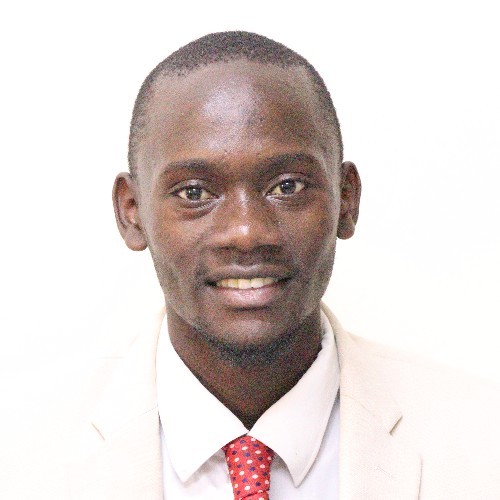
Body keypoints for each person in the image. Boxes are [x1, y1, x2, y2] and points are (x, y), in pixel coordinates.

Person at [68, 31, 500, 499]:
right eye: (194, 192)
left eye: (287, 186)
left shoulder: (483, 440)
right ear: (132, 213)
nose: (246, 232)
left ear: (346, 200)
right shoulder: (27, 449)